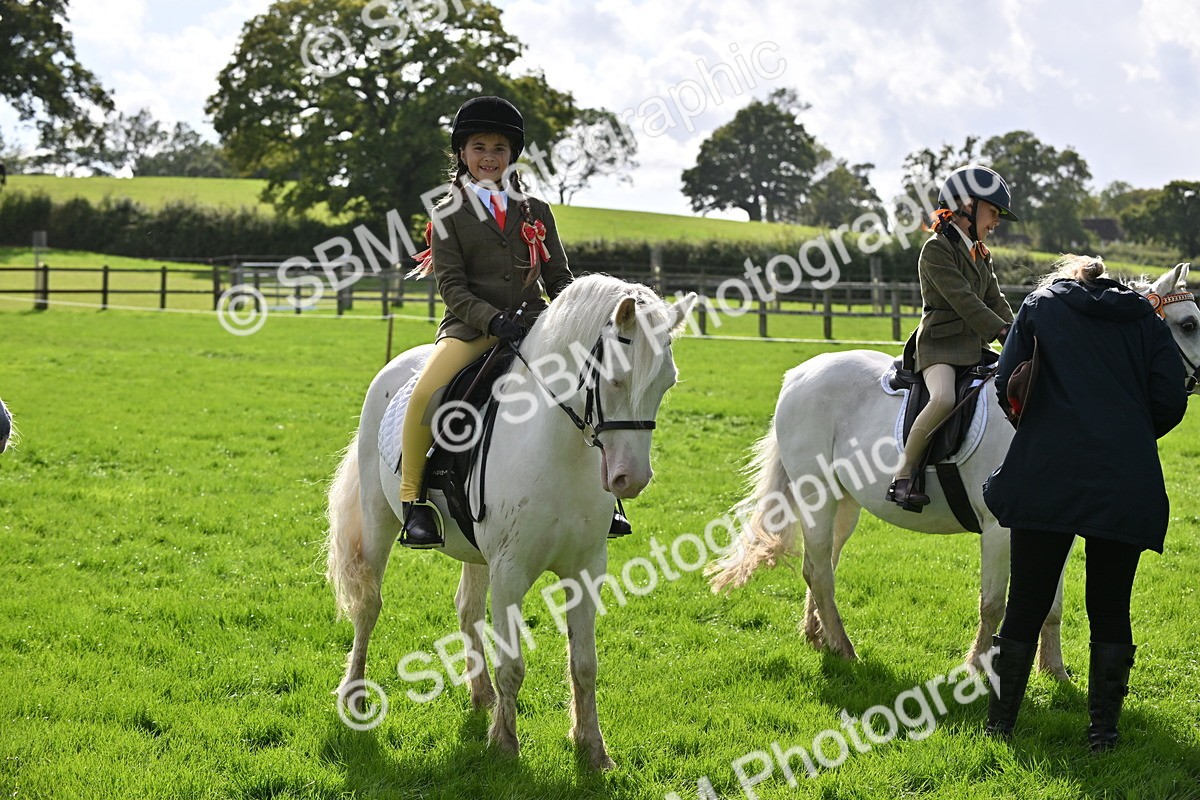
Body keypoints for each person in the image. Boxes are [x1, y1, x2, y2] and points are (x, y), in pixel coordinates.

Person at [981, 255, 1188, 750]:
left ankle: (999, 726)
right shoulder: (1145, 317)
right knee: (1111, 608)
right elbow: (1171, 400)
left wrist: (1040, 433)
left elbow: (1006, 382)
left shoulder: (1038, 306)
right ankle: (1103, 734)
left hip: (1044, 476)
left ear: (1065, 276)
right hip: (1123, 480)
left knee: (1026, 604)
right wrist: (1130, 437)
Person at [397, 95, 575, 548]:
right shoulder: (447, 212)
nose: (489, 157)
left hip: (535, 324)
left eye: (498, 148)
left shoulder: (536, 210)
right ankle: (413, 502)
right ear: (462, 153)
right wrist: (491, 320)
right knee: (426, 392)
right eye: (479, 147)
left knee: (587, 385)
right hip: (472, 328)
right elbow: (452, 286)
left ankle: (600, 498)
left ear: (512, 154)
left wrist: (575, 315)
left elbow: (558, 277)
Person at [887, 165, 1017, 510]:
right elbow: (964, 301)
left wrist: (1019, 332)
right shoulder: (936, 250)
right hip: (940, 347)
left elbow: (995, 300)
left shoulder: (980, 254)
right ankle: (902, 476)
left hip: (975, 348)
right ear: (966, 206)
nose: (996, 222)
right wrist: (1001, 331)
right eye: (993, 212)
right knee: (943, 399)